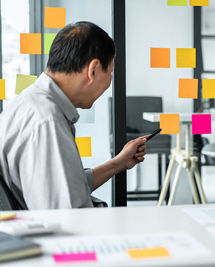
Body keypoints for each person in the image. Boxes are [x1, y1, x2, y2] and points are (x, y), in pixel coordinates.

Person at [0, 21, 148, 209]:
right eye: (109, 72)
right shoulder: (47, 122)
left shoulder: (28, 104)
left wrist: (118, 163)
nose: (110, 81)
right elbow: (66, 213)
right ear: (93, 70)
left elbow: (65, 186)